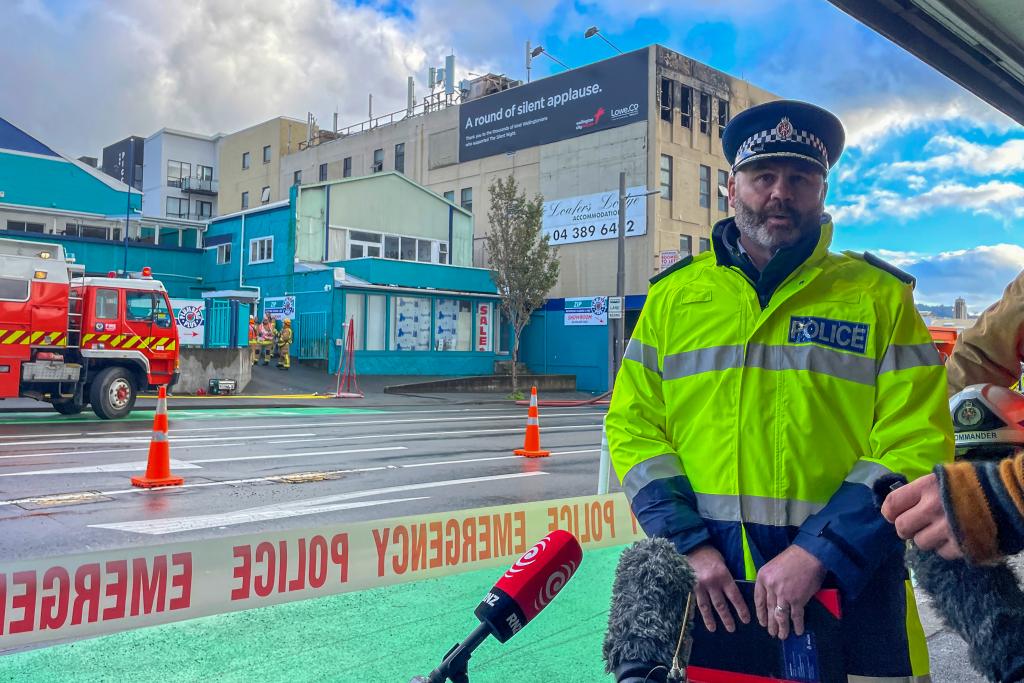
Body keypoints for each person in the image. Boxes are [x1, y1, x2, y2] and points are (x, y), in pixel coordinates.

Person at [605, 99, 953, 681]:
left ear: (822, 191)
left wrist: (819, 551)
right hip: (714, 594)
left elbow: (916, 443)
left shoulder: (879, 298)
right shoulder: (672, 300)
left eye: (800, 178)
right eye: (763, 176)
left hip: (851, 588)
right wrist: (690, 546)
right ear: (732, 187)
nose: (779, 193)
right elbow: (634, 426)